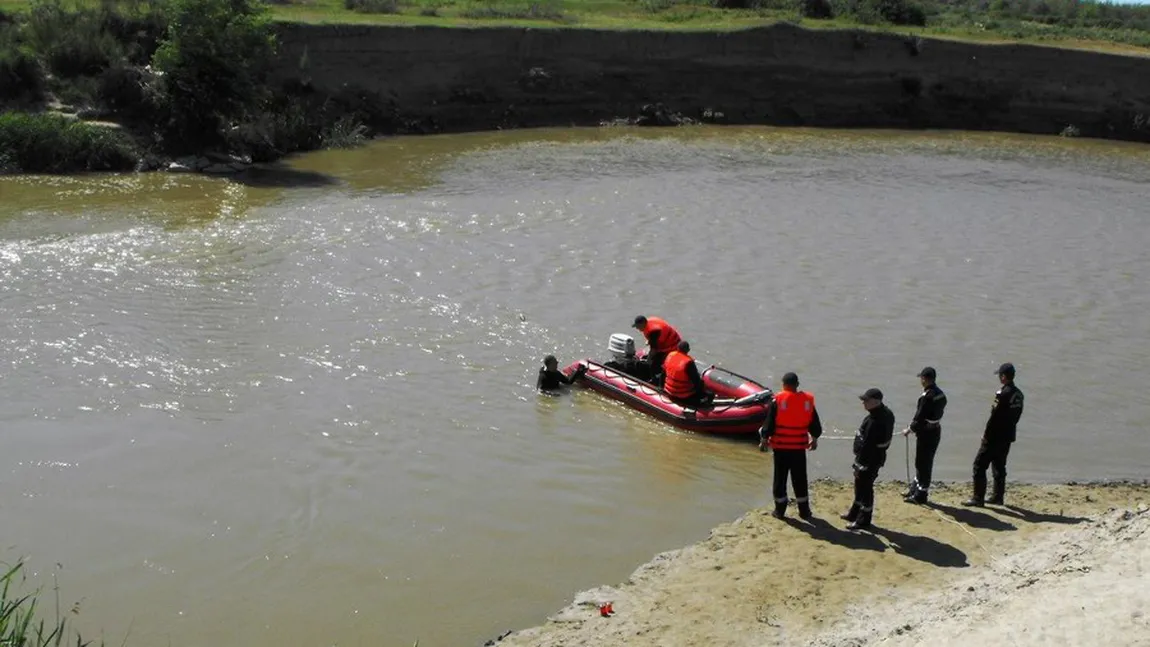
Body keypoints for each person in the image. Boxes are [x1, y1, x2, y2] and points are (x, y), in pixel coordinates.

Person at [759, 372, 823, 520]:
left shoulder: (778, 400)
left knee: (780, 479)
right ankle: (804, 511)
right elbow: (815, 425)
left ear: (783, 384)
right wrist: (814, 438)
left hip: (781, 447)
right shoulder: (807, 401)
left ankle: (780, 511)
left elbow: (769, 423)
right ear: (797, 384)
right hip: (799, 447)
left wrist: (764, 439)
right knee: (800, 479)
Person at [964, 363, 1024, 507]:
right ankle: (998, 497)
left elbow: (994, 417)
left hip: (995, 436)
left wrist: (986, 434)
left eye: (999, 375)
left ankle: (978, 498)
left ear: (1003, 377)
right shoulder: (1019, 394)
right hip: (1008, 435)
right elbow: (1016, 416)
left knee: (979, 465)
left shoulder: (1002, 394)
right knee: (999, 466)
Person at [841, 388, 895, 531]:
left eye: (866, 400)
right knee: (861, 486)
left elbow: (867, 447)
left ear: (876, 402)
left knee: (865, 488)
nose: (863, 403)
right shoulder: (886, 413)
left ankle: (864, 520)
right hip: (876, 457)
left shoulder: (875, 421)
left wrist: (860, 465)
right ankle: (854, 513)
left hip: (870, 460)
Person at [902, 366, 948, 504]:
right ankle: (915, 488)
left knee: (923, 462)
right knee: (923, 461)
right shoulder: (941, 394)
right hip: (935, 430)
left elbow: (919, 416)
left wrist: (909, 429)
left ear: (924, 379)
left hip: (926, 433)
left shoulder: (926, 397)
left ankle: (921, 494)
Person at [661, 340, 708, 407]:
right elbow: (696, 381)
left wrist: (661, 388)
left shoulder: (670, 355)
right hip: (683, 394)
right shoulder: (688, 362)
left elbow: (663, 373)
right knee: (708, 393)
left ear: (677, 348)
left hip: (668, 390)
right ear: (688, 350)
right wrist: (702, 395)